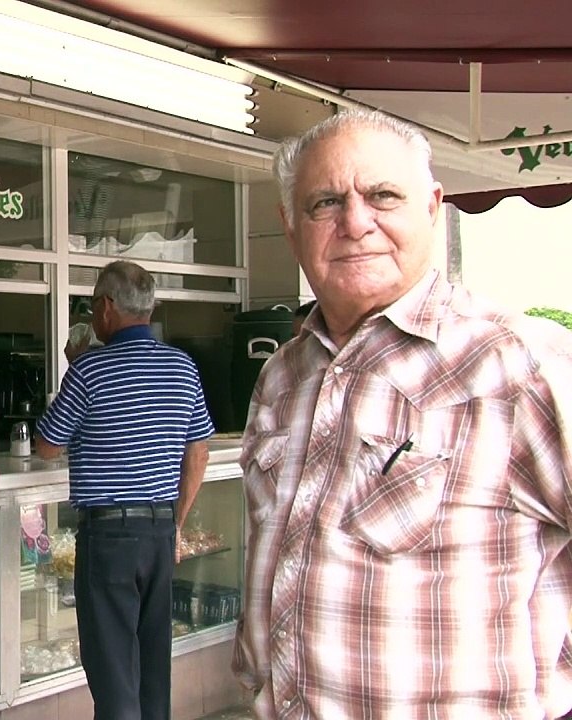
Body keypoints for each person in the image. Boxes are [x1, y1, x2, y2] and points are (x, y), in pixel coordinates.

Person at [235, 109, 572, 719]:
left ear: (433, 207)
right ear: (290, 227)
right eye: (325, 203)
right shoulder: (281, 377)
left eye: (383, 196)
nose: (355, 222)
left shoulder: (519, 364)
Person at [35, 260, 214, 720]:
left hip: (110, 538)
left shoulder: (89, 370)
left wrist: (75, 372)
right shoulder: (182, 365)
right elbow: (198, 453)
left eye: (94, 304)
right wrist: (176, 520)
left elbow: (47, 446)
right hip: (158, 534)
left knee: (114, 672)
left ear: (108, 307)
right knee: (153, 667)